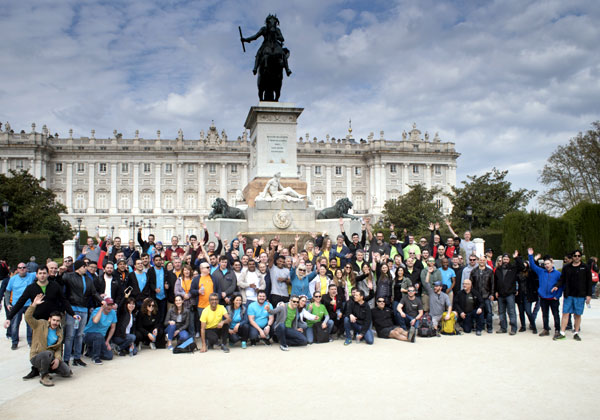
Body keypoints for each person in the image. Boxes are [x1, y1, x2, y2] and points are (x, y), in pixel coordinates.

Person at [24, 294, 71, 386]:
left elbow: (58, 348)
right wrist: (33, 305)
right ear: (49, 319)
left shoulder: (59, 332)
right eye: (54, 320)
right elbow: (27, 317)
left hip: (50, 358)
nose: (55, 323)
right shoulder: (39, 324)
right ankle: (44, 376)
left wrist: (57, 359)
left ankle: (44, 369)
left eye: (58, 321)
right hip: (36, 356)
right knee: (47, 353)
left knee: (66, 372)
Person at [61, 260, 102, 366]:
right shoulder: (69, 276)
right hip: (73, 309)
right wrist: (60, 272)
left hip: (84, 309)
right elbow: (59, 282)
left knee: (80, 335)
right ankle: (66, 359)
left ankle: (77, 358)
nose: (86, 268)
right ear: (79, 267)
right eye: (85, 266)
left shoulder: (88, 279)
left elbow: (93, 292)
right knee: (70, 335)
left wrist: (101, 301)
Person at [552, 250, 593, 341]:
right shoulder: (566, 268)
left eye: (579, 255)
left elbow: (589, 282)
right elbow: (562, 279)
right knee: (565, 313)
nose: (577, 257)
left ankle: (576, 332)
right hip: (569, 294)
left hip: (580, 295)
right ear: (572, 257)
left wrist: (589, 295)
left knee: (577, 314)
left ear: (581, 257)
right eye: (575, 255)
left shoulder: (585, 267)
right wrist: (557, 286)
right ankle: (562, 333)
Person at [5, 262, 37, 349]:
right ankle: (15, 342)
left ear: (27, 268)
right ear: (17, 270)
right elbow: (7, 292)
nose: (22, 269)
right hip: (17, 305)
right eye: (20, 268)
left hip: (28, 305)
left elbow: (43, 271)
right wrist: (7, 303)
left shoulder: (31, 276)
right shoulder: (13, 279)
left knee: (30, 325)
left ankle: (30, 342)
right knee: (15, 325)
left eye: (23, 267)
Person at [83, 298, 117, 365]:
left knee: (109, 356)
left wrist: (107, 341)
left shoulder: (113, 313)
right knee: (98, 336)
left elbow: (113, 328)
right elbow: (95, 321)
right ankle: (95, 358)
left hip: (101, 338)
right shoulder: (97, 310)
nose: (109, 307)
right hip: (88, 335)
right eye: (107, 305)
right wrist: (101, 309)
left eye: (111, 305)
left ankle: (90, 351)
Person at [493, 252, 520, 335]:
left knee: (511, 311)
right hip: (500, 294)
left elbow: (522, 267)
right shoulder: (498, 269)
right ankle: (503, 328)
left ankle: (513, 328)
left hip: (510, 294)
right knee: (501, 312)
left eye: (507, 259)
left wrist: (516, 258)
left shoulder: (513, 268)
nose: (505, 261)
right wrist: (495, 292)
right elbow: (495, 281)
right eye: (504, 259)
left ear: (509, 260)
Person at [470, 256, 495, 333]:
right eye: (480, 260)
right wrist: (473, 294)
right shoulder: (474, 271)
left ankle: (489, 327)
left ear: (485, 261)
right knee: (478, 312)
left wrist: (492, 294)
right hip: (477, 296)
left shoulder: (490, 271)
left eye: (483, 260)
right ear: (478, 261)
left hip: (486, 295)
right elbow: (471, 284)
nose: (482, 261)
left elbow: (492, 284)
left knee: (489, 312)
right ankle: (479, 327)